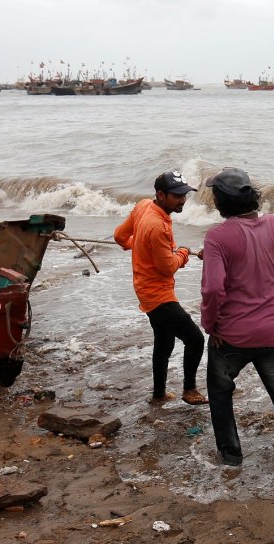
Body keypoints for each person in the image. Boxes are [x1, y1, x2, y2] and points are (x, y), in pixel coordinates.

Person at [200, 167, 274, 477]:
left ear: (221, 202)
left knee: (220, 390)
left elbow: (213, 289)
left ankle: (231, 456)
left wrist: (210, 325)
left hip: (231, 336)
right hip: (273, 331)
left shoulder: (217, 237)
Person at [114, 171, 207, 406]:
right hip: (158, 294)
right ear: (160, 195)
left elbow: (119, 236)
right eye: (176, 196)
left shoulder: (143, 206)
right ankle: (190, 390)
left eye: (184, 194)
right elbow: (167, 267)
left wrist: (139, 247)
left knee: (164, 342)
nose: (182, 200)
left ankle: (159, 394)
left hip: (144, 288)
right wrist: (184, 253)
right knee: (195, 339)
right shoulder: (157, 226)